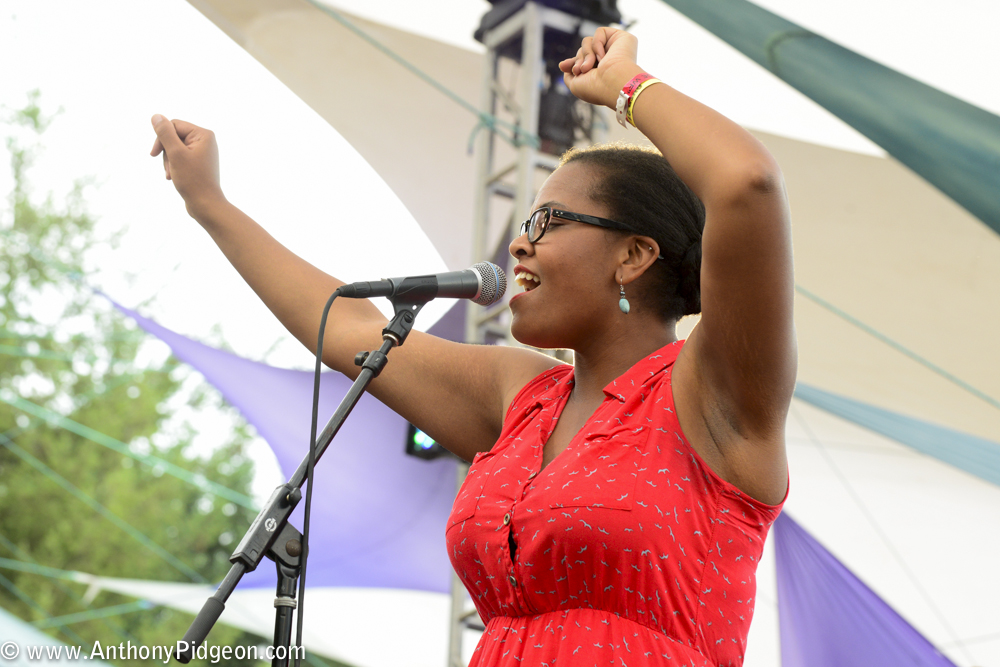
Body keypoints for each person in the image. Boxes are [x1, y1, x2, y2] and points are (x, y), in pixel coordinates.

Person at [151, 26, 794, 667]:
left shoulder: (714, 392)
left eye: (546, 221)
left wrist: (624, 87)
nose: (519, 243)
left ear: (633, 255)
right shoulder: (525, 399)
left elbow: (746, 183)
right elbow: (348, 330)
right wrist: (208, 204)